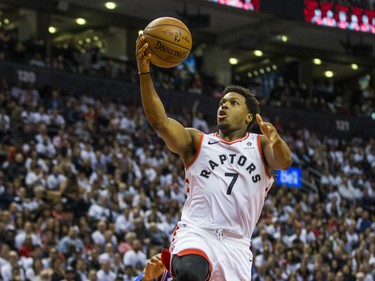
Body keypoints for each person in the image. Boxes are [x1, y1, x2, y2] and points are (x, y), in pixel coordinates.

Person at [136, 34, 292, 280]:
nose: (224, 105)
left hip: (237, 245)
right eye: (222, 102)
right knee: (189, 272)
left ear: (249, 117)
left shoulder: (260, 145)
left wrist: (276, 141)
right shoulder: (197, 141)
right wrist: (145, 73)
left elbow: (283, 162)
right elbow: (160, 122)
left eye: (233, 103)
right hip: (198, 232)